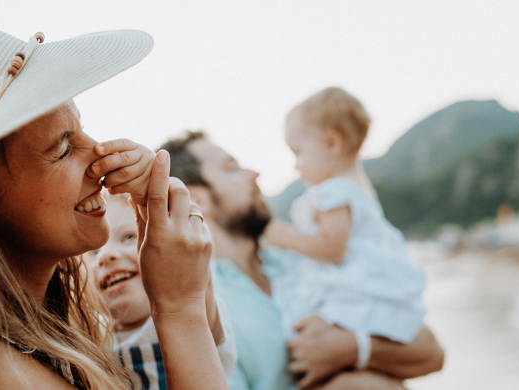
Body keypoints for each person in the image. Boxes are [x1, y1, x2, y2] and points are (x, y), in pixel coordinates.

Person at [0, 14, 227, 389]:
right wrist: (179, 308)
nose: (99, 157)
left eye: (81, 129)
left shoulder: (46, 339)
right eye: (63, 148)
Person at [160, 131, 444, 390]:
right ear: (197, 199)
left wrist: (353, 347)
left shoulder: (306, 256)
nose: (254, 174)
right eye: (232, 168)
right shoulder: (202, 307)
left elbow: (430, 351)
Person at [264, 87, 427, 347]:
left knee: (296, 326)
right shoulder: (359, 188)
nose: (296, 165)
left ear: (332, 144)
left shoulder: (334, 192)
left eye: (298, 152)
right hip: (368, 283)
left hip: (350, 290)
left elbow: (333, 249)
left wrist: (285, 237)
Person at [89, 192, 237, 390]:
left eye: (129, 237)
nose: (106, 256)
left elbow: (195, 276)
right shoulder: (91, 338)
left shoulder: (192, 312)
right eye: (94, 251)